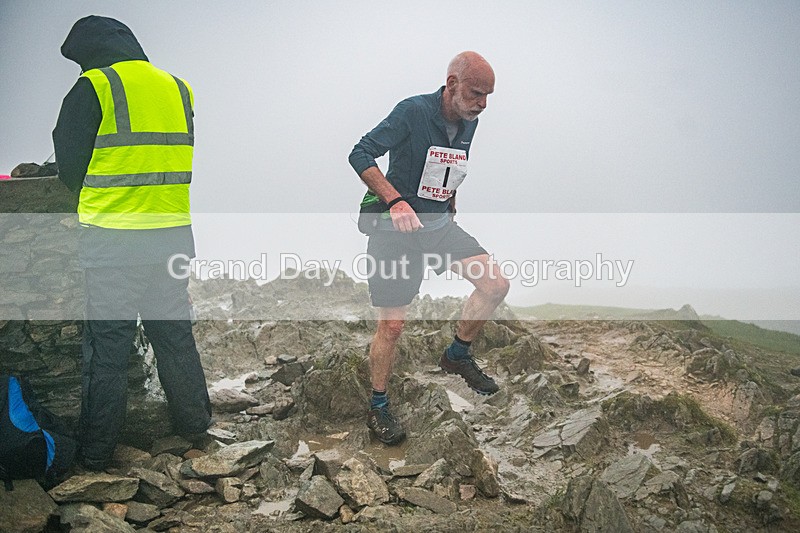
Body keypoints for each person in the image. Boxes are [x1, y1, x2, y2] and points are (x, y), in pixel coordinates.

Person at [52, 15, 211, 470]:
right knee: (174, 335)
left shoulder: (94, 86)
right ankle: (195, 426)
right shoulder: (179, 88)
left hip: (114, 241)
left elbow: (69, 168)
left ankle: (96, 452)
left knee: (108, 348)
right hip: (172, 234)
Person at [348, 51, 510, 445]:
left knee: (495, 285)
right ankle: (378, 406)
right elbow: (360, 153)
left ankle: (456, 355)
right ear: (452, 84)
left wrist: (451, 200)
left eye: (488, 96)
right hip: (394, 230)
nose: (483, 104)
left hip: (438, 227)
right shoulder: (413, 111)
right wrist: (395, 201)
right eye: (476, 93)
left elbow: (450, 165)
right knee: (392, 325)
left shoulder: (469, 121)